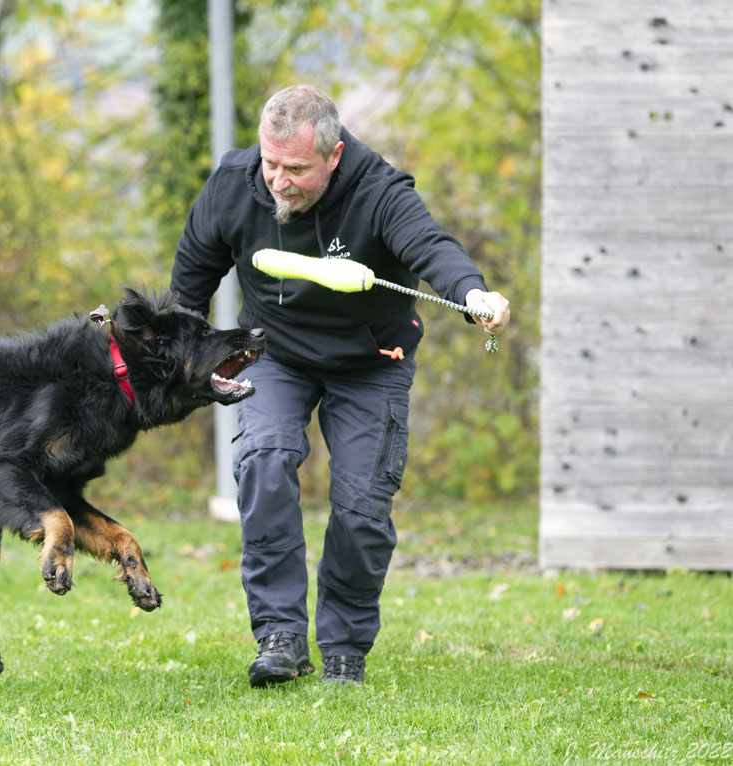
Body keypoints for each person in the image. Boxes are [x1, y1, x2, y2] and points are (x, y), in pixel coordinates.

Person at [169, 85, 510, 687]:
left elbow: (431, 247)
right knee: (265, 460)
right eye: (270, 163)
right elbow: (190, 281)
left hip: (371, 361)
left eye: (296, 168)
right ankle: (279, 634)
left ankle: (345, 647)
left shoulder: (378, 189)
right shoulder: (234, 183)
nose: (278, 180)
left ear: (334, 155)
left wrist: (472, 294)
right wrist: (165, 357)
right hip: (274, 354)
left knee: (360, 509)